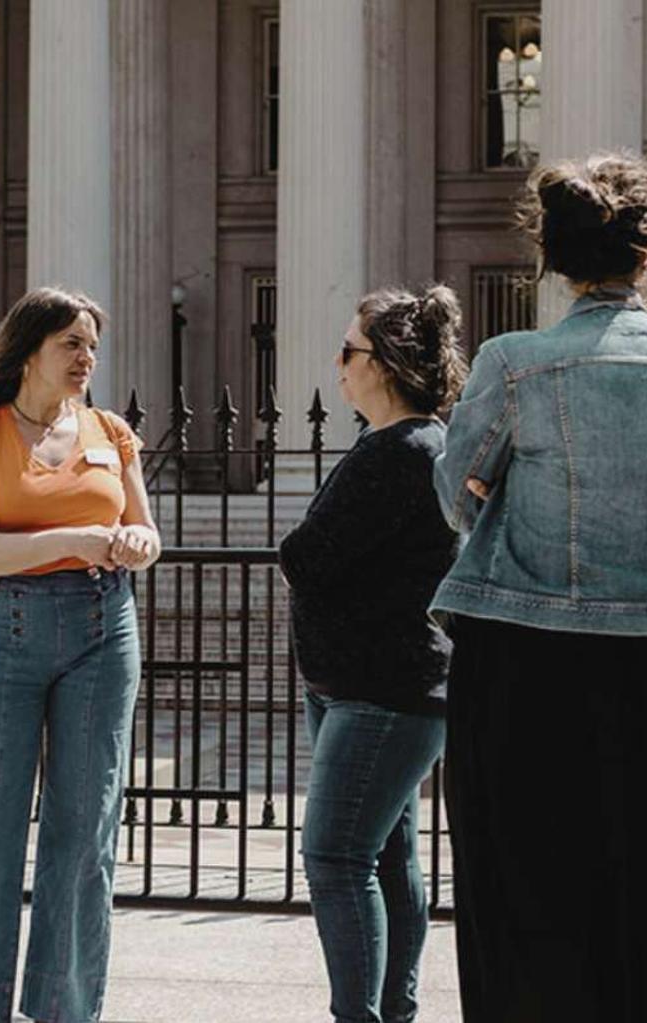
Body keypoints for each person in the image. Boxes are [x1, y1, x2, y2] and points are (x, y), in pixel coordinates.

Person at [432, 152, 647, 1020]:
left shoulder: (514, 360)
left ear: (553, 258)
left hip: (531, 661)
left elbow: (456, 497)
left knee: (530, 901)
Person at [0, 287, 162, 1023]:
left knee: (86, 832)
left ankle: (65, 1007)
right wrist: (69, 542)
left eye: (91, 346)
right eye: (72, 344)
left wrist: (137, 544)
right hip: (9, 629)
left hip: (103, 629)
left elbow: (146, 532)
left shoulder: (111, 432)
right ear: (29, 350)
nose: (87, 359)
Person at [279, 286, 466, 1023]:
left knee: (335, 856)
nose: (339, 364)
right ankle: (393, 1012)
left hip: (378, 690)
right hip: (374, 685)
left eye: (350, 351)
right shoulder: (413, 444)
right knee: (387, 857)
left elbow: (304, 554)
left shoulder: (399, 452)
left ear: (384, 364)